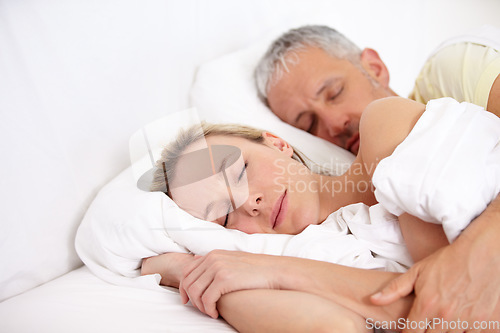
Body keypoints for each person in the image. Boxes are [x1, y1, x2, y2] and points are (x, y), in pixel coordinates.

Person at [141, 97, 500, 332]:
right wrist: (189, 272)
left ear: (276, 143)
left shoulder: (383, 128)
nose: (250, 203)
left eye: (240, 172)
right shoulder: (313, 253)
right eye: (224, 217)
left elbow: (460, 300)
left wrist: (275, 272)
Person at [253, 25, 500, 332]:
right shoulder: (360, 206)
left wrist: (484, 242)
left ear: (375, 67)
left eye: (334, 93)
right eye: (308, 124)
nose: (333, 124)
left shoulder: (449, 72)